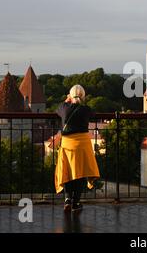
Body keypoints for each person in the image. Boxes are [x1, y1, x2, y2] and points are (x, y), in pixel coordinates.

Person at [55, 84, 100, 212]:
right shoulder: (86, 109)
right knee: (81, 172)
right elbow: (93, 114)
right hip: (83, 144)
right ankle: (76, 202)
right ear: (83, 96)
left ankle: (67, 199)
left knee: (68, 170)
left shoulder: (64, 108)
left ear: (70, 95)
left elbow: (57, 109)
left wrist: (66, 100)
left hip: (68, 144)